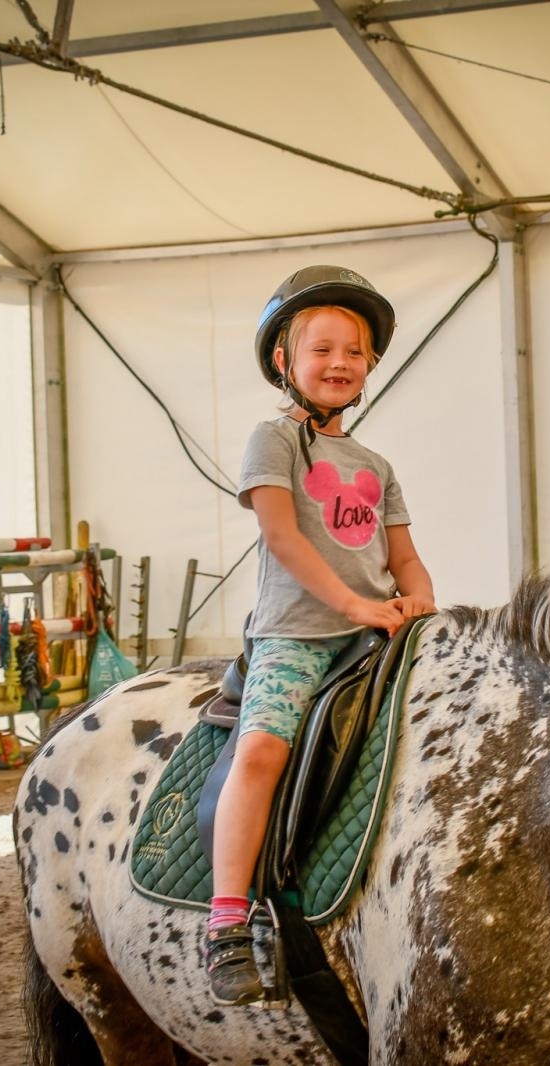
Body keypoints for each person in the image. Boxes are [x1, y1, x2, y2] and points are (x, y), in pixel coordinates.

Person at [205, 265, 436, 1006]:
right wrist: (353, 604)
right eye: (322, 349)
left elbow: (400, 554)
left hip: (377, 635)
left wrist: (420, 598)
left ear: (370, 365)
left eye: (355, 351)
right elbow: (281, 537)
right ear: (285, 361)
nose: (340, 363)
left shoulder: (376, 465)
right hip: (298, 636)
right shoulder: (271, 440)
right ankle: (227, 919)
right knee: (264, 747)